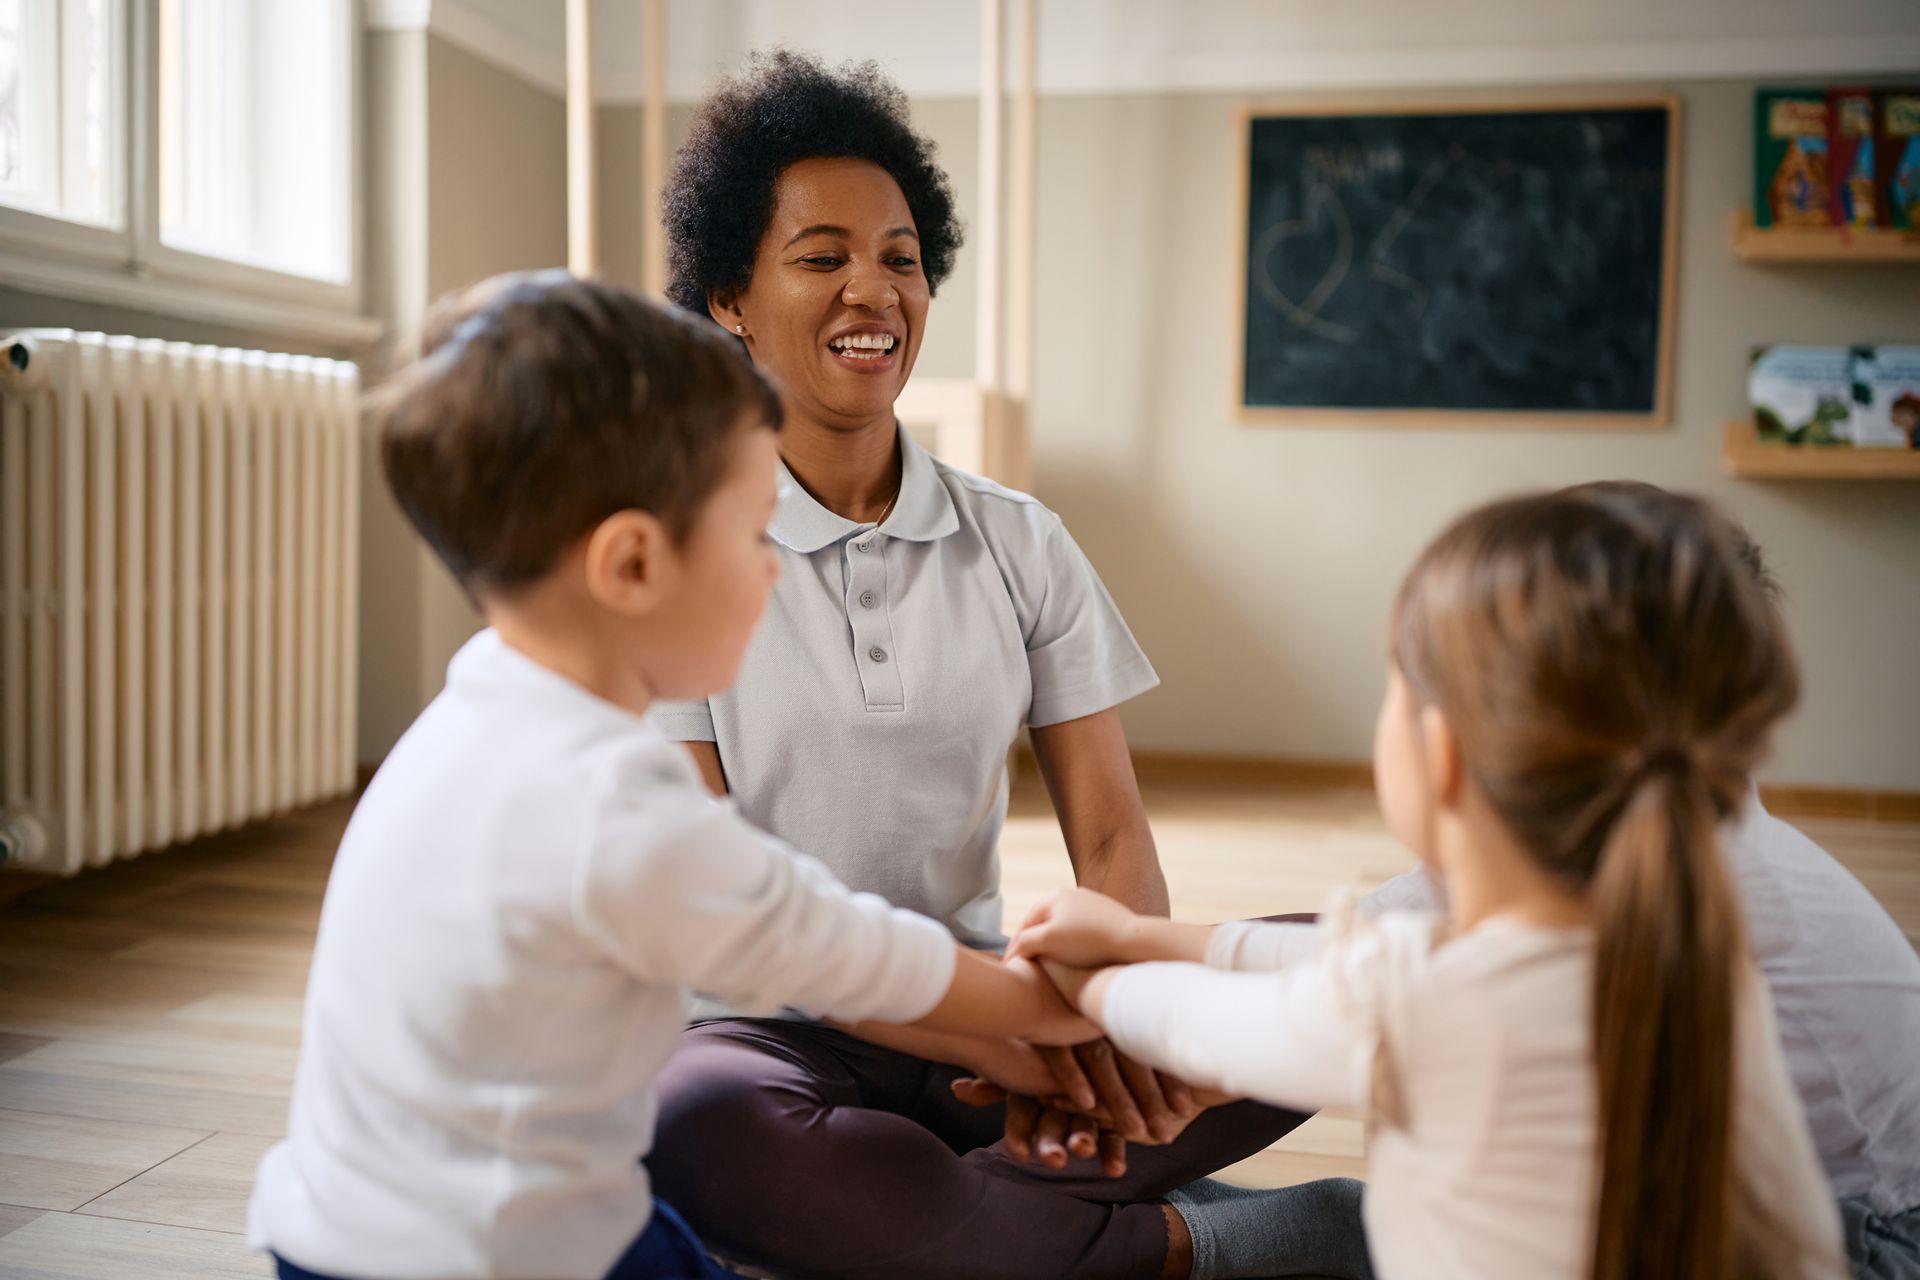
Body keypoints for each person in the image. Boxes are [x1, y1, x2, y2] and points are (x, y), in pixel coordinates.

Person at [645, 50, 1343, 1280]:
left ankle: (968, 1220)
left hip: (985, 1015)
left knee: (1335, 976)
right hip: (763, 1034)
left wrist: (1106, 1016)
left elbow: (1114, 837)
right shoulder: (674, 554)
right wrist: (1031, 1049)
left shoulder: (1020, 539)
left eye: (903, 257)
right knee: (694, 1130)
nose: (876, 288)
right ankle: (1224, 1234)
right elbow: (736, 911)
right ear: (728, 297)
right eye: (821, 257)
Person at [246, 272, 1098, 1280]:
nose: (776, 567)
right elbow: (838, 944)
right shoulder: (610, 801)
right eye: (752, 534)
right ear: (635, 565)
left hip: (350, 1227)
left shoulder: (473, 715)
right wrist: (1053, 1010)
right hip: (493, 1253)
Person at [1013, 487, 1847, 1280]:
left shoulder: (1429, 999)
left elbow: (1194, 1024)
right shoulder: (1693, 960)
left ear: (1443, 755)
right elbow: (1343, 962)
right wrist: (1141, 935)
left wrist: (1099, 983)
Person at [1273, 483, 1920, 1280]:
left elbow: (1329, 984)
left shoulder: (1681, 871)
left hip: (1869, 1241)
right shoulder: (1647, 827)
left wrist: (1116, 986)